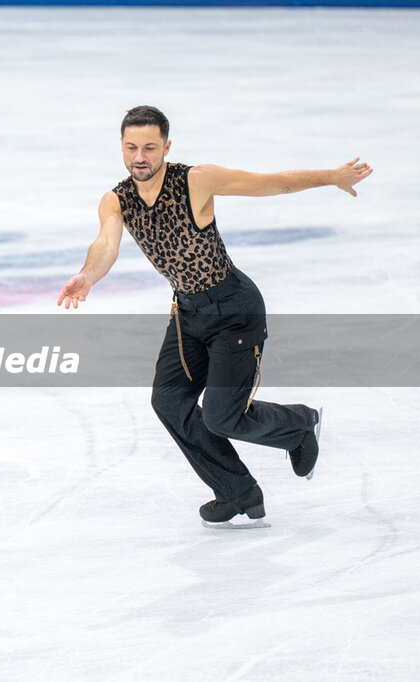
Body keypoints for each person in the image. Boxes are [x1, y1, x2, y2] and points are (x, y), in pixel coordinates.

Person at [57, 106, 372, 527]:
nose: (140, 157)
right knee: (169, 401)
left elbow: (272, 183)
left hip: (234, 311)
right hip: (188, 314)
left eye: (150, 147)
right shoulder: (116, 200)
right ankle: (237, 492)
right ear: (121, 146)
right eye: (131, 147)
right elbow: (105, 245)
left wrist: (331, 176)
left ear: (166, 146)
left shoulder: (195, 180)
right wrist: (87, 276)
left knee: (222, 416)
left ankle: (299, 424)